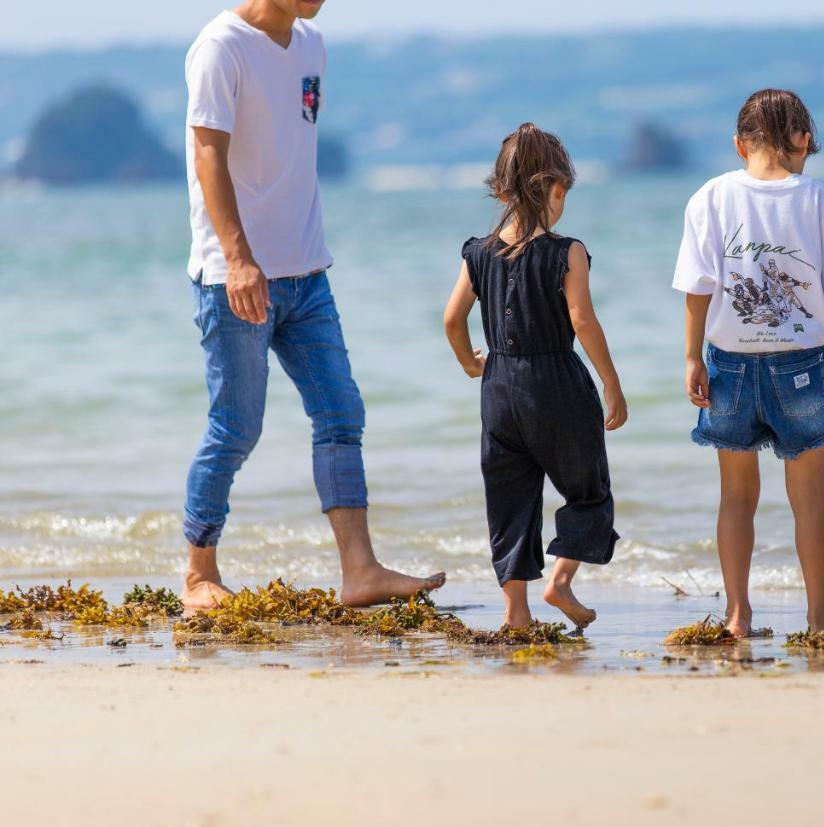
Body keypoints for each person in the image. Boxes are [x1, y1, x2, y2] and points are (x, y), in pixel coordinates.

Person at [182, 0, 444, 611]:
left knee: (341, 414)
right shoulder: (220, 46)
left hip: (307, 272)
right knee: (236, 428)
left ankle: (361, 571)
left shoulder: (310, 45)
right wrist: (240, 258)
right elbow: (207, 154)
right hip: (234, 278)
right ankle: (198, 574)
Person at [673, 89, 824, 638]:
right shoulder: (817, 200)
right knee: (808, 496)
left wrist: (690, 357)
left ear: (739, 144)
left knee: (735, 496)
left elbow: (697, 288)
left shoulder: (711, 196)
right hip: (804, 365)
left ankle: (736, 615)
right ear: (801, 139)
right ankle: (819, 618)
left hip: (730, 362)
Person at [443, 123, 627, 630]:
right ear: (558, 189)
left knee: (509, 500)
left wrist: (469, 362)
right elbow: (582, 320)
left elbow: (452, 319)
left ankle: (515, 613)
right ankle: (561, 583)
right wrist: (611, 381)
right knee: (589, 492)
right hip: (559, 385)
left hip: (498, 388)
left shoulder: (477, 252)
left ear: (500, 190)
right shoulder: (566, 252)